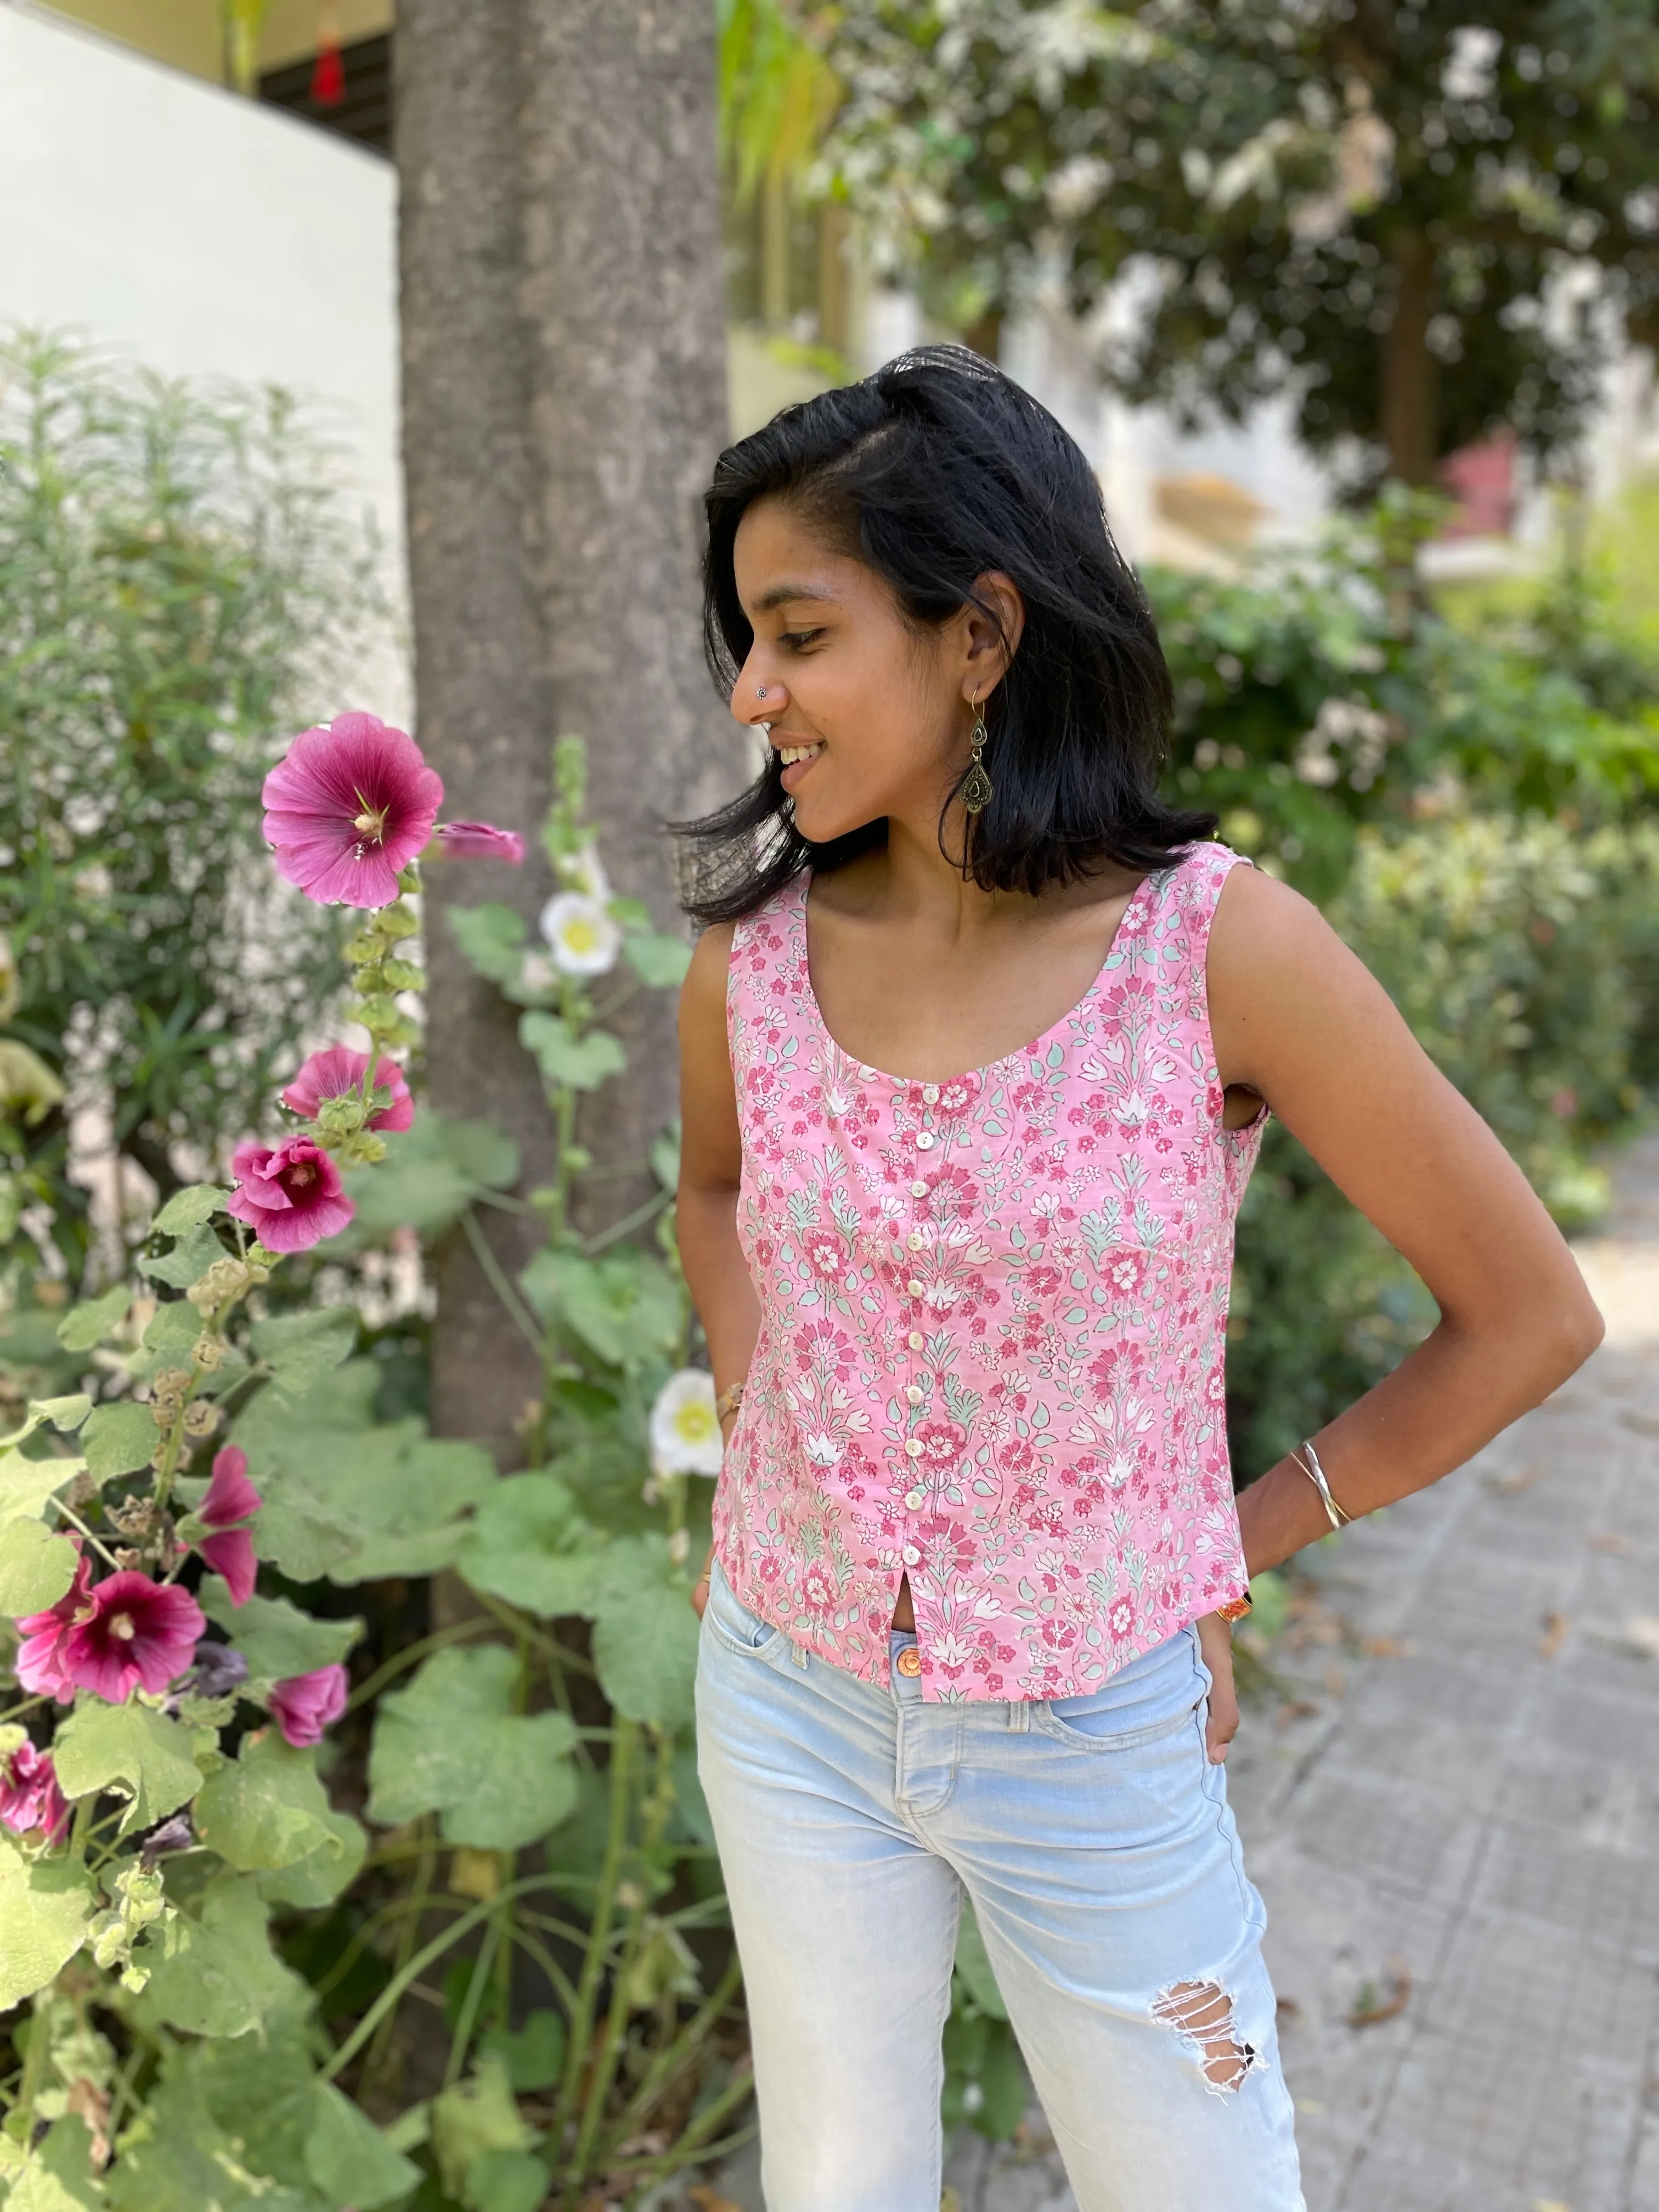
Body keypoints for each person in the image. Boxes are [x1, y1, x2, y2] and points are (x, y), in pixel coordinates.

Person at [672, 347, 1602, 2212]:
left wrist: (1223, 1546)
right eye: (745, 640)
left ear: (982, 636)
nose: (752, 690)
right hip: (782, 1689)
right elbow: (710, 1194)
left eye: (798, 632)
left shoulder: (1216, 949)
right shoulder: (754, 967)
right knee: (834, 2188)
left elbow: (1529, 1314)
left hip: (1098, 1725)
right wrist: (792, 1425)